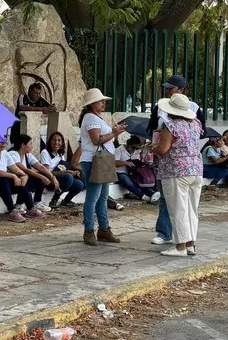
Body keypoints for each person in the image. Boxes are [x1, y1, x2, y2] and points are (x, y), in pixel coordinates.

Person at [148, 76, 203, 246]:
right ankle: (190, 244)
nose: (167, 91)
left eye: (171, 88)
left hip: (175, 170)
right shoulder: (195, 124)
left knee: (177, 209)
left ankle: (179, 246)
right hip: (195, 169)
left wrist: (152, 148)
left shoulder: (170, 126)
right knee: (191, 209)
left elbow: (163, 149)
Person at [78, 88, 124, 247]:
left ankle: (103, 229)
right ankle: (89, 230)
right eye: (100, 101)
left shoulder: (95, 117)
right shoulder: (91, 118)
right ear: (92, 104)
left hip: (100, 160)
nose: (103, 103)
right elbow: (97, 140)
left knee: (102, 196)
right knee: (94, 196)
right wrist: (114, 133)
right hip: (93, 161)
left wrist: (114, 133)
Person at [0, 137, 40, 222]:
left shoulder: (5, 153)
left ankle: (30, 207)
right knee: (3, 179)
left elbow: (15, 169)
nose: (2, 143)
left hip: (2, 186)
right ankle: (11, 210)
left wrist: (24, 175)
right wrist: (13, 176)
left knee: (19, 179)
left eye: (4, 140)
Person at [8, 133, 56, 212]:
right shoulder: (13, 153)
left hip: (23, 179)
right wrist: (41, 177)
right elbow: (24, 169)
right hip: (13, 181)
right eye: (30, 144)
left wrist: (52, 177)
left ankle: (37, 202)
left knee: (40, 176)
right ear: (23, 145)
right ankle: (19, 204)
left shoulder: (27, 155)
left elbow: (40, 167)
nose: (32, 146)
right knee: (34, 178)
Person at [39, 132, 84, 208]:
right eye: (54, 140)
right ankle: (54, 200)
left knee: (79, 184)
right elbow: (45, 172)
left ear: (62, 143)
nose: (56, 143)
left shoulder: (61, 154)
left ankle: (66, 201)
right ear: (49, 142)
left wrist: (73, 172)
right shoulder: (45, 152)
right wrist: (65, 172)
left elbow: (63, 168)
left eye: (59, 140)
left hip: (60, 179)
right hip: (50, 180)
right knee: (68, 177)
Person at [115, 137, 159, 203]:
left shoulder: (136, 151)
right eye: (133, 147)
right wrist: (125, 163)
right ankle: (142, 196)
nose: (135, 149)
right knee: (126, 180)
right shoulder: (119, 150)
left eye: (137, 148)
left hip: (133, 172)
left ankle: (152, 194)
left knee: (141, 181)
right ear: (128, 145)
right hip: (121, 172)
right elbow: (115, 162)